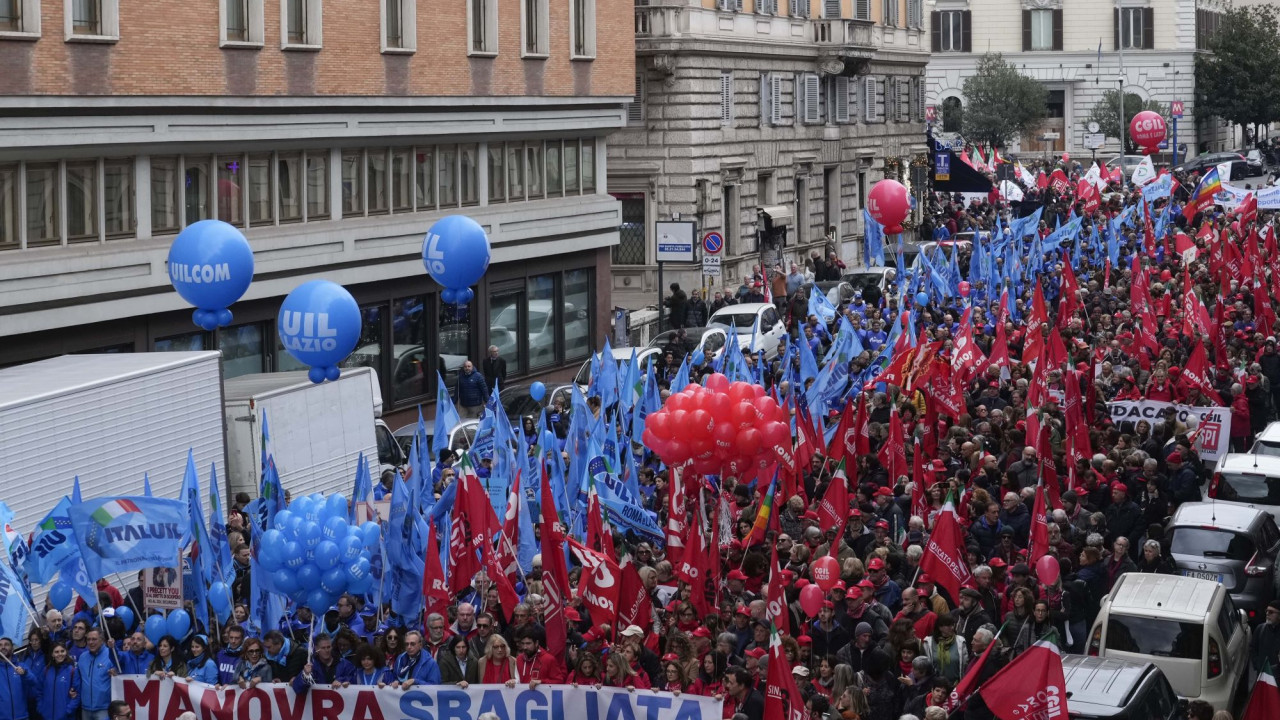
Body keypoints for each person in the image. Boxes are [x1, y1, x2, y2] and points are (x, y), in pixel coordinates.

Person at [76, 629, 115, 720]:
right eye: (88, 639)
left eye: (94, 639)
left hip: (104, 708)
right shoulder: (82, 657)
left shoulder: (111, 655)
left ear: (102, 640)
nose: (90, 642)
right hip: (85, 707)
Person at [37, 643, 78, 720]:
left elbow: (77, 695)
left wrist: (68, 711)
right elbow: (39, 690)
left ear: (66, 652)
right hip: (47, 715)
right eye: (56, 652)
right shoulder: (46, 670)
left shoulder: (72, 671)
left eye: (62, 651)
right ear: (52, 654)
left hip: (65, 717)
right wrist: (41, 708)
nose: (60, 654)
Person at [1251, 600, 1280, 673]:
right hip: (1263, 674)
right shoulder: (1260, 629)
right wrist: (1258, 665)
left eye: (1271, 612)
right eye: (1266, 611)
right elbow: (1253, 649)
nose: (1267, 614)